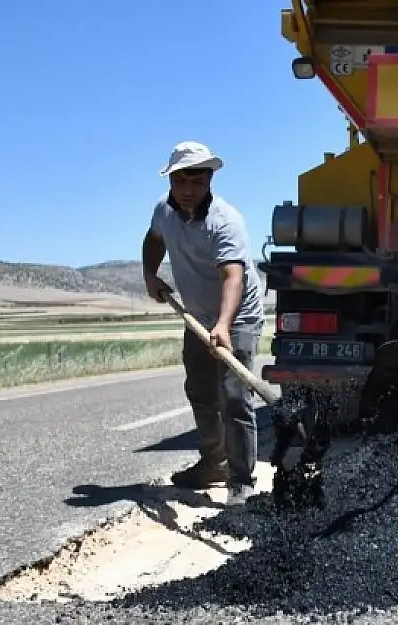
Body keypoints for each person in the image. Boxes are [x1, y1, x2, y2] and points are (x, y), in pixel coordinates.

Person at [141, 141, 267, 506]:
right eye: (182, 181)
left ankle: (241, 481)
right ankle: (214, 464)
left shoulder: (225, 221)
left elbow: (233, 277)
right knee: (200, 390)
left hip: (237, 315)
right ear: (171, 181)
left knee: (234, 397)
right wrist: (150, 275)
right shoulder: (164, 212)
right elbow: (153, 240)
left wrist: (225, 325)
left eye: (197, 181)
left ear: (209, 180)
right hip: (197, 317)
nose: (189, 189)